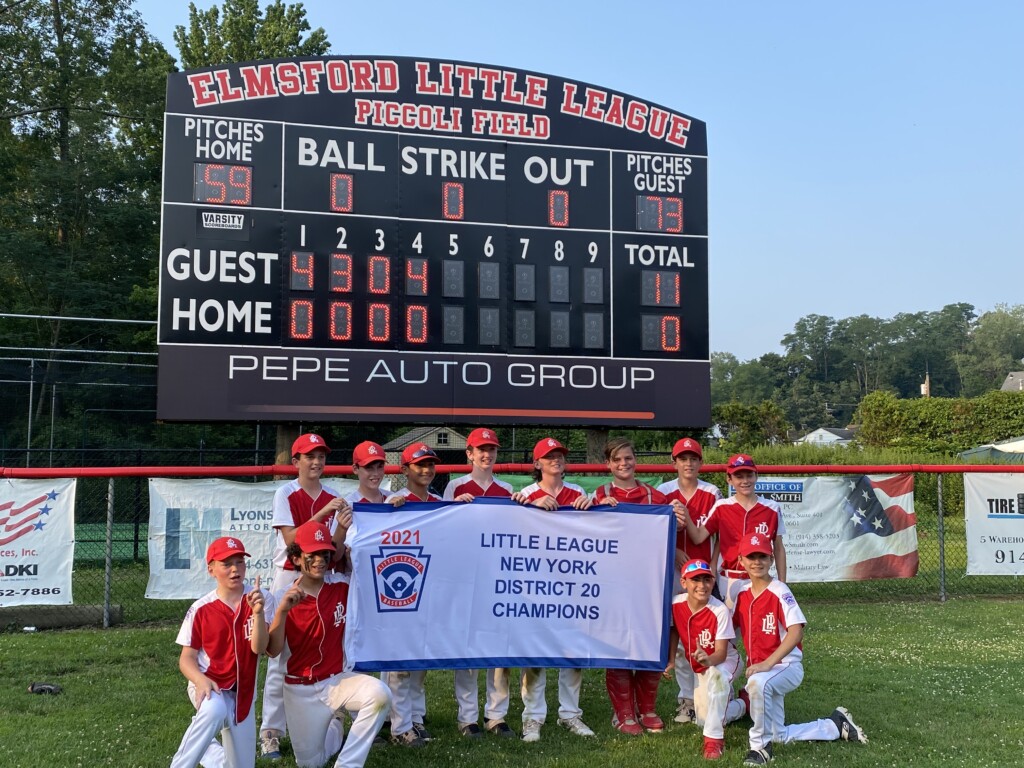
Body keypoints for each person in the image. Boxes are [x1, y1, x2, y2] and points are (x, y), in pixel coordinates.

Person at [733, 534, 867, 765]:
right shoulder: (742, 593)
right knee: (779, 734)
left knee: (757, 684)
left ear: (771, 559)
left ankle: (760, 748)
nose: (757, 561)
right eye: (751, 556)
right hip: (764, 670)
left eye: (762, 556)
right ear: (741, 560)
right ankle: (835, 725)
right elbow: (730, 628)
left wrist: (767, 663)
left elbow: (796, 632)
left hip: (786, 667)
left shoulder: (779, 590)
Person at [267, 520, 392, 768]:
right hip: (300, 689)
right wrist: (282, 612)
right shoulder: (281, 598)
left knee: (380, 695)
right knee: (311, 764)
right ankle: (336, 725)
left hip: (337, 680)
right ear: (296, 559)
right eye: (311, 554)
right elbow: (272, 650)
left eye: (324, 553)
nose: (319, 560)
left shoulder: (344, 586)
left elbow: (372, 565)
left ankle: (347, 764)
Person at [261, 433, 351, 759]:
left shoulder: (334, 494)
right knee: (280, 657)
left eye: (321, 456)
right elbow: (291, 543)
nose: (316, 462)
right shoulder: (286, 492)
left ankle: (328, 717)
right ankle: (271, 731)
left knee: (326, 646)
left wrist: (339, 527)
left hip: (323, 575)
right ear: (295, 461)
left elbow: (337, 552)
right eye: (309, 456)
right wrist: (323, 514)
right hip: (289, 575)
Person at [512, 437, 595, 743]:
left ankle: (570, 714)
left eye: (559, 455)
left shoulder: (578, 492)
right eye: (549, 456)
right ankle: (532, 717)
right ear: (537, 464)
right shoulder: (525, 494)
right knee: (535, 652)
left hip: (572, 581)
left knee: (572, 650)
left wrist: (593, 509)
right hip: (536, 583)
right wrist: (530, 508)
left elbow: (593, 531)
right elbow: (509, 529)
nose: (556, 460)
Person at [171, 537, 272, 768]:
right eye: (226, 564)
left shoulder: (261, 598)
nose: (235, 569)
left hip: (244, 692)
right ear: (211, 569)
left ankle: (207, 745)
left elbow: (260, 649)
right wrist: (200, 680)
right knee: (214, 710)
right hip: (210, 683)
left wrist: (258, 613)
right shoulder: (201, 608)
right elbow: (186, 658)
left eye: (240, 562)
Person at [441, 428, 515, 739]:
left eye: (492, 449)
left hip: (497, 577)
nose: (487, 454)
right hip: (466, 576)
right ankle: (467, 717)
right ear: (469, 453)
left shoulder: (507, 488)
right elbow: (444, 530)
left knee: (499, 649)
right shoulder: (455, 486)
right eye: (480, 449)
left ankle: (496, 716)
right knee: (467, 647)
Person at [591, 436, 669, 735]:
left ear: (635, 460)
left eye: (628, 458)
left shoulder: (655, 497)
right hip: (613, 584)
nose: (624, 464)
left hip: (649, 583)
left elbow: (670, 532)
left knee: (650, 642)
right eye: (617, 459)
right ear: (608, 464)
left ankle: (647, 708)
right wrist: (595, 510)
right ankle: (623, 713)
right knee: (619, 645)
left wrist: (677, 519)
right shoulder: (600, 494)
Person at [655, 437, 723, 725]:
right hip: (673, 571)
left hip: (702, 574)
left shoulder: (712, 492)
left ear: (700, 462)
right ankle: (686, 699)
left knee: (705, 636)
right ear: (674, 463)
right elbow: (654, 533)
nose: (688, 463)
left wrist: (714, 565)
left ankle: (707, 694)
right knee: (681, 637)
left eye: (693, 458)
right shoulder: (663, 491)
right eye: (683, 458)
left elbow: (719, 534)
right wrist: (673, 551)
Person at [384, 443, 442, 747]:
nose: (427, 470)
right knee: (400, 661)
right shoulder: (396, 502)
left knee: (419, 661)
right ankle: (399, 725)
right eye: (420, 465)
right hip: (402, 588)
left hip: (428, 588)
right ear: (405, 469)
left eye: (430, 464)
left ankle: (415, 717)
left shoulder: (438, 501)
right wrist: (388, 510)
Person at [682, 454, 787, 610]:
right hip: (729, 579)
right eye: (738, 476)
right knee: (728, 631)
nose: (745, 481)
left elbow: (778, 547)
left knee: (760, 629)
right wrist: (686, 514)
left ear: (756, 476)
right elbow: (698, 537)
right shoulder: (722, 506)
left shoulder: (771, 508)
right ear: (729, 479)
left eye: (749, 475)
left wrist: (782, 584)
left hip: (760, 579)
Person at [668, 558, 747, 760]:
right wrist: (670, 660)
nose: (702, 586)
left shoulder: (719, 610)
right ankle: (743, 704)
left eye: (706, 580)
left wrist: (707, 661)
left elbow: (721, 653)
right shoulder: (676, 603)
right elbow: (674, 630)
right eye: (695, 580)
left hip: (726, 660)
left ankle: (713, 742)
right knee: (704, 718)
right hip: (703, 663)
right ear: (684, 583)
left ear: (713, 582)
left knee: (717, 679)